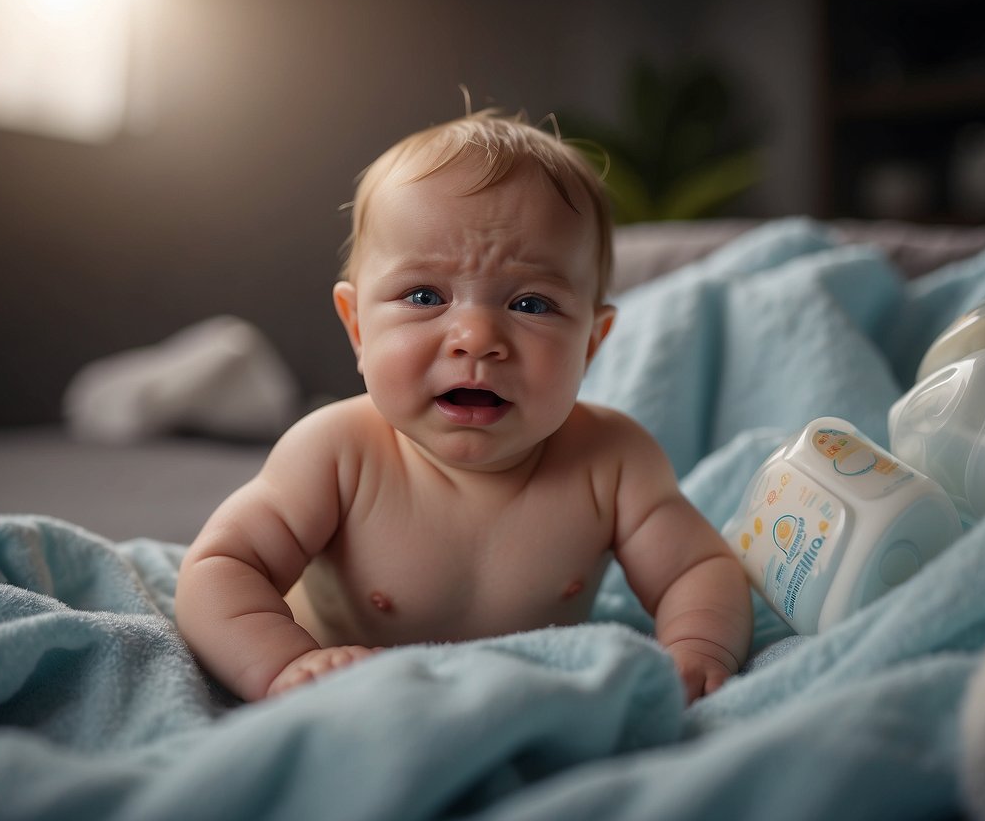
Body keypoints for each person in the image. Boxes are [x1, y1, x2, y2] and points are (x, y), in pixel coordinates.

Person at [174, 109, 752, 704]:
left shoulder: (613, 461)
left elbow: (698, 570)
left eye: (531, 304)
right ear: (358, 329)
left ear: (592, 344)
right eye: (424, 296)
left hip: (524, 704)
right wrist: (284, 665)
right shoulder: (334, 453)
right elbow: (220, 567)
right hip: (360, 697)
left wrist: (697, 652)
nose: (476, 337)